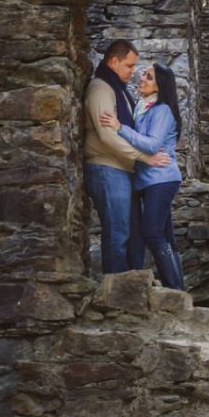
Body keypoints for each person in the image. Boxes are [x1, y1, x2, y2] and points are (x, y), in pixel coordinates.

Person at [83, 40, 169, 274]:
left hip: (123, 170)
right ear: (114, 61)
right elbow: (107, 137)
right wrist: (145, 157)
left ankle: (132, 287)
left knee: (134, 233)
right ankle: (115, 293)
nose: (134, 72)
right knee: (118, 232)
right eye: (129, 66)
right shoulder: (101, 88)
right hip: (107, 168)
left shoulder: (119, 90)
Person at [100, 62, 185, 291]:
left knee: (153, 233)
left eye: (148, 77)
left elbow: (152, 145)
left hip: (162, 179)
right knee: (166, 236)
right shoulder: (144, 106)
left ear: (160, 86)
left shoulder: (162, 110)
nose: (142, 79)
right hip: (149, 180)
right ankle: (180, 291)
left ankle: (174, 289)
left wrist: (120, 127)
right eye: (144, 75)